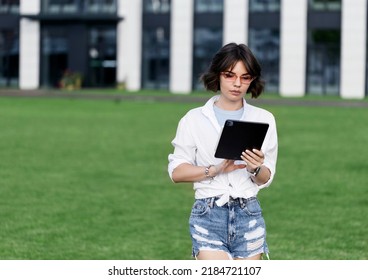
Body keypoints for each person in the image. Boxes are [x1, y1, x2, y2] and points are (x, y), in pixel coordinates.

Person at [168, 42, 278, 260]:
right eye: (230, 75)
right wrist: (216, 169)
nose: (237, 84)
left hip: (249, 214)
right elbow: (176, 172)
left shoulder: (264, 119)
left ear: (252, 80)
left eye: (245, 77)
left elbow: (266, 177)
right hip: (208, 213)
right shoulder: (193, 119)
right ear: (217, 75)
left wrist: (255, 168)